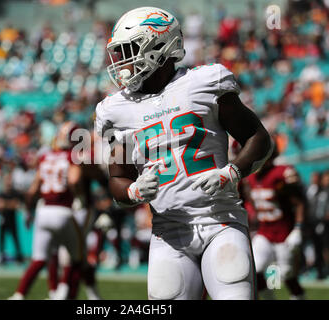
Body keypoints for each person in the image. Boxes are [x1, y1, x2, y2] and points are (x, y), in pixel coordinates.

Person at [95, 6, 273, 300]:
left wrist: (233, 171)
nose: (121, 61)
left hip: (221, 221)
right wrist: (135, 192)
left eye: (129, 49)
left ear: (158, 45)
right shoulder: (115, 110)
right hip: (168, 233)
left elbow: (258, 137)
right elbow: (117, 180)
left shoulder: (204, 82)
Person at [8, 122, 85, 300]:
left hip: (43, 212)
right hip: (63, 211)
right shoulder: (72, 156)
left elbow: (32, 190)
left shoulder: (45, 157)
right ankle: (64, 294)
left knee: (39, 259)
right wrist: (79, 196)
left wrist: (28, 211)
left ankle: (19, 295)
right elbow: (73, 180)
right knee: (76, 257)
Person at [247, 145, 306, 299]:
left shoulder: (281, 173)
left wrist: (298, 228)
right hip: (264, 232)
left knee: (287, 274)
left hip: (283, 233)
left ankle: (299, 296)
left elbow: (299, 203)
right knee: (254, 269)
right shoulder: (252, 177)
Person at [0, 173, 24, 264]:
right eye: (7, 180)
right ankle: (2, 258)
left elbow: (16, 205)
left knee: (16, 239)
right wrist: (9, 204)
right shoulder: (0, 193)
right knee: (1, 240)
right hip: (3, 221)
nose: (8, 183)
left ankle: (19, 257)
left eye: (9, 180)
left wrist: (5, 204)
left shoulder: (15, 193)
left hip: (12, 220)